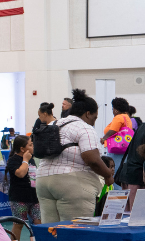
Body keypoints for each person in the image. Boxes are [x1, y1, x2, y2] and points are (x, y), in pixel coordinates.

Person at [36, 89, 114, 223]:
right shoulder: (84, 127)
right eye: (94, 118)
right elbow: (92, 159)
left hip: (43, 182)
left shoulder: (53, 124)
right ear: (88, 114)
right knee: (76, 229)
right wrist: (108, 175)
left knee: (51, 229)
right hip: (71, 183)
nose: (93, 122)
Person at [6, 136, 40, 239]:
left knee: (39, 222)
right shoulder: (13, 160)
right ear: (22, 149)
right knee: (19, 224)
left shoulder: (32, 160)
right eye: (30, 145)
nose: (33, 146)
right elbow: (20, 174)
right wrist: (25, 160)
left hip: (33, 197)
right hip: (19, 198)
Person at [102, 97, 135, 171]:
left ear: (116, 110)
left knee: (114, 169)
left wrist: (103, 139)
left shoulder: (118, 117)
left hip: (116, 147)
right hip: (125, 146)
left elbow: (113, 130)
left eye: (113, 109)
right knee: (122, 168)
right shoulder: (127, 117)